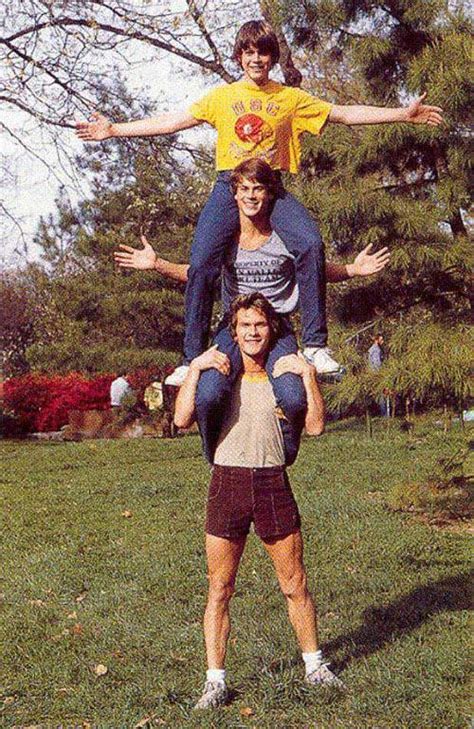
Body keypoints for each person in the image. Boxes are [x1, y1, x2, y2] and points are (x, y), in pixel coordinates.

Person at [76, 19, 442, 385]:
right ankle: (191, 357)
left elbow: (344, 114)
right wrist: (114, 129)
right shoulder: (222, 97)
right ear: (239, 57)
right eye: (249, 52)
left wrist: (400, 114)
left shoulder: (289, 98)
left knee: (311, 244)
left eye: (263, 53)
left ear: (272, 57)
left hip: (270, 186)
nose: (256, 59)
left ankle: (314, 345)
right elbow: (174, 121)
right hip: (229, 186)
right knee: (203, 261)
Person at [114, 158, 390, 462]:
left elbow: (315, 270)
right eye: (244, 189)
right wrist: (157, 264)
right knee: (208, 395)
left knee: (293, 398)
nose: (251, 196)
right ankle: (214, 455)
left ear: (270, 194)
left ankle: (282, 456)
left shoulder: (285, 237)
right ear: (233, 194)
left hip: (276, 328)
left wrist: (352, 269)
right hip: (234, 328)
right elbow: (198, 272)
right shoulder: (225, 241)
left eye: (258, 189)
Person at [174, 292, 343, 710]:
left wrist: (307, 376)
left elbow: (317, 427)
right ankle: (215, 682)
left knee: (295, 583)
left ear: (271, 331)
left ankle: (314, 666)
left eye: (260, 325)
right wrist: (195, 367)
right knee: (219, 588)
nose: (252, 333)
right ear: (234, 332)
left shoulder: (281, 377)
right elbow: (180, 419)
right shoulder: (221, 374)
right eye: (245, 326)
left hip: (272, 484)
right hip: (226, 485)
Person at [368, 334, 390, 416]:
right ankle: (385, 415)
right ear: (376, 340)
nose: (383, 341)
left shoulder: (372, 349)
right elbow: (378, 364)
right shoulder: (377, 350)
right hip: (377, 374)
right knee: (382, 394)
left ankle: (380, 413)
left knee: (378, 394)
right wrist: (382, 375)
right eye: (381, 339)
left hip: (373, 374)